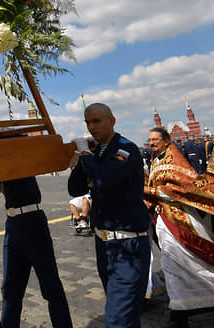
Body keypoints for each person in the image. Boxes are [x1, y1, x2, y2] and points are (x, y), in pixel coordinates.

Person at [145, 127, 214, 327]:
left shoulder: (175, 162)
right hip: (165, 220)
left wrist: (150, 191)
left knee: (194, 261)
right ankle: (183, 308)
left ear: (167, 141)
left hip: (181, 219)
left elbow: (184, 189)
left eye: (155, 139)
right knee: (174, 264)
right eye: (149, 140)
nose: (151, 143)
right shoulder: (155, 160)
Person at [68, 103, 150, 328]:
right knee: (125, 315)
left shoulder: (126, 149)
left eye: (96, 121)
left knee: (117, 319)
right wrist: (81, 160)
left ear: (111, 121)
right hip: (104, 246)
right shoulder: (97, 152)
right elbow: (75, 189)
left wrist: (86, 155)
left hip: (128, 243)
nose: (91, 126)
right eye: (87, 122)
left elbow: (104, 180)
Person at [0, 177, 73, 328]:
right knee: (10, 289)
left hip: (33, 221)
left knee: (50, 286)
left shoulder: (22, 158)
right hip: (12, 223)